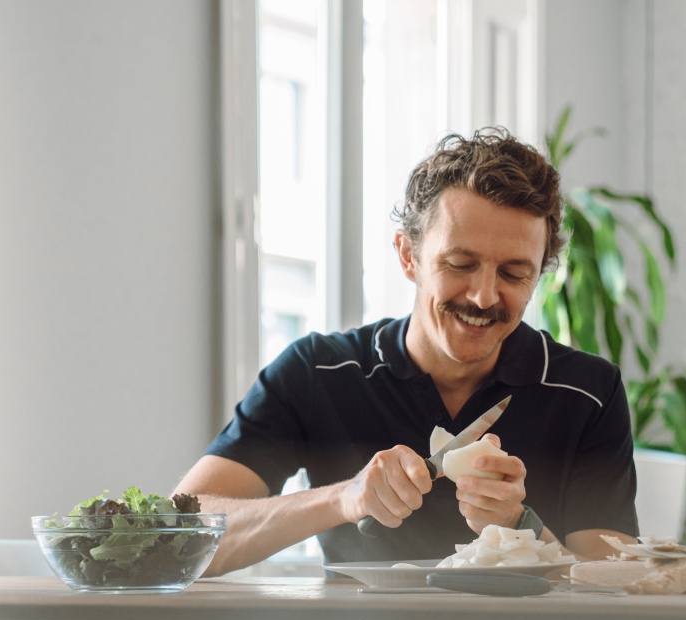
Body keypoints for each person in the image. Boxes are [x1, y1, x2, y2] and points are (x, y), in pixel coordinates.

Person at [176, 128, 640, 575]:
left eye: (514, 273)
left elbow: (612, 590)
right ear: (408, 256)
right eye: (461, 264)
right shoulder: (317, 373)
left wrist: (520, 530)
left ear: (540, 274)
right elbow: (180, 537)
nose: (483, 296)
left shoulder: (588, 391)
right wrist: (343, 499)